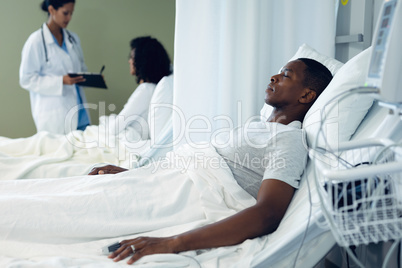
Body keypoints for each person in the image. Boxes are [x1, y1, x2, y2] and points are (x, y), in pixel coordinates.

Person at [88, 58, 333, 265]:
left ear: (307, 95)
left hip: (177, 198)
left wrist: (173, 243)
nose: (273, 77)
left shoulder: (289, 139)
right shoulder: (255, 127)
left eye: (285, 75)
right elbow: (200, 163)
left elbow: (267, 213)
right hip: (158, 182)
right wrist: (136, 173)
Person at [19, 0, 89, 134]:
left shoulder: (73, 39)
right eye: (65, 13)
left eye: (71, 13)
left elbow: (81, 69)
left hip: (80, 113)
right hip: (55, 115)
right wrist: (60, 81)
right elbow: (26, 79)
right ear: (51, 10)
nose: (69, 18)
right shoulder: (36, 41)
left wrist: (92, 78)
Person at [107, 36, 172, 136]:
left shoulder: (146, 89)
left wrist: (111, 119)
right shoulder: (155, 87)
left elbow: (114, 128)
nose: (129, 61)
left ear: (142, 62)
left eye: (132, 57)